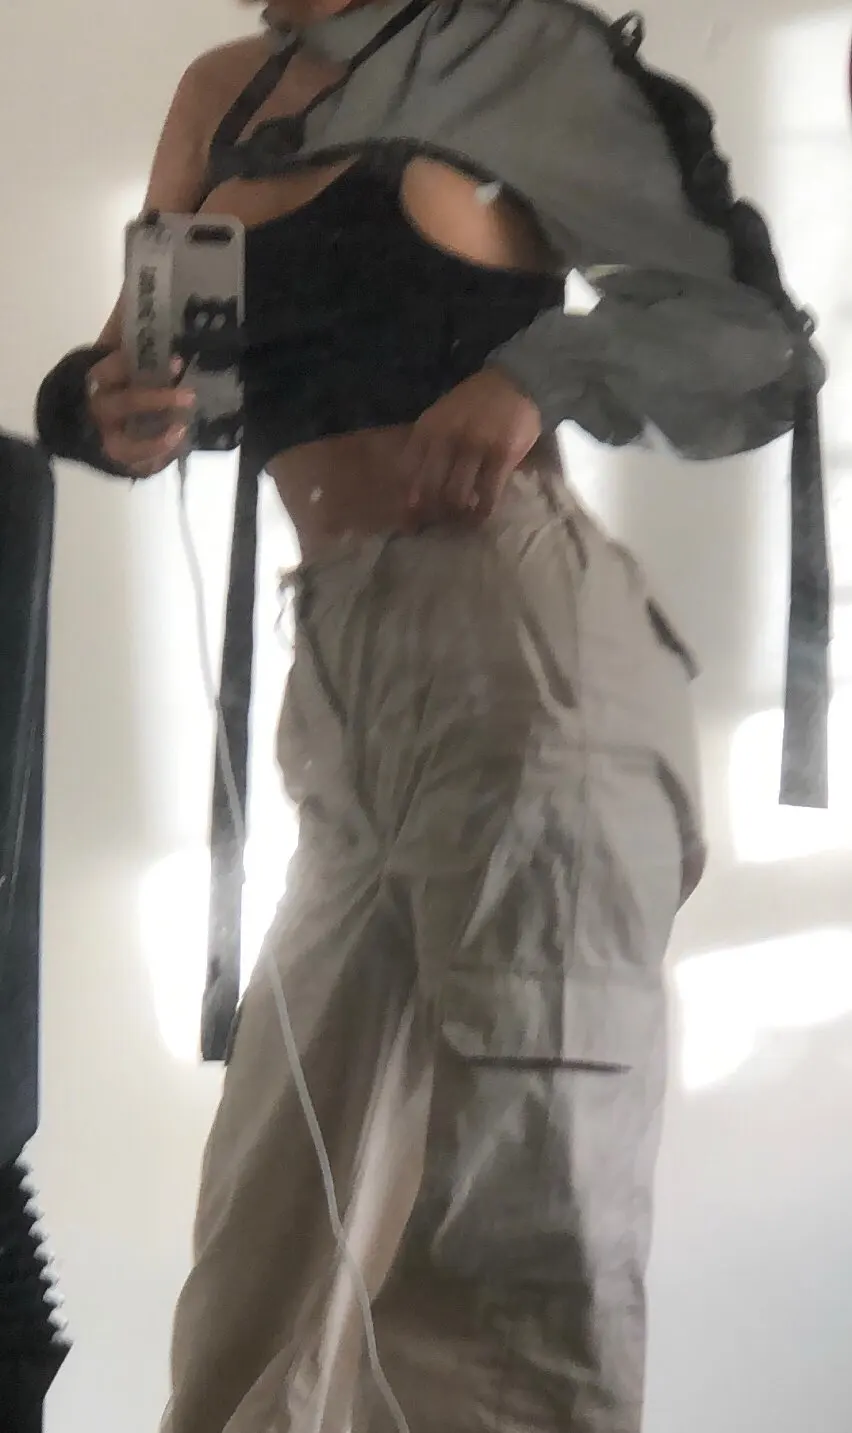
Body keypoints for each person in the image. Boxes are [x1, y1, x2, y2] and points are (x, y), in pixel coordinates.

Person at [34, 1, 818, 1429]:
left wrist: (530, 378)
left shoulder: (513, 56)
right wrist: (108, 405)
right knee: (271, 1242)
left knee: (510, 1238)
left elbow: (749, 339)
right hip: (339, 669)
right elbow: (130, 360)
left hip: (517, 648)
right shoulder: (228, 90)